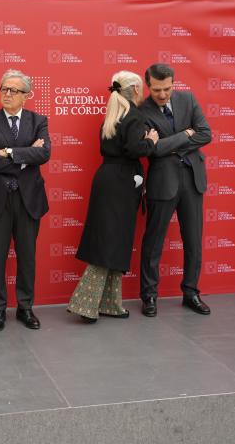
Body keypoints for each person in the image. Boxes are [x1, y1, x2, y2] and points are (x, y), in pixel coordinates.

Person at [68, 71, 158, 322]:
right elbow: (134, 149)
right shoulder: (135, 116)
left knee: (113, 242)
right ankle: (84, 304)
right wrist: (150, 141)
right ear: (137, 91)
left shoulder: (114, 114)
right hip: (121, 183)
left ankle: (110, 304)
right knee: (111, 243)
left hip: (108, 179)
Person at [0, 69, 50, 332]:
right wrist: (26, 156)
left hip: (29, 199)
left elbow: (45, 154)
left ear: (26, 95)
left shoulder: (39, 120)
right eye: (4, 89)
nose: (7, 94)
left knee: (27, 256)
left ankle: (25, 307)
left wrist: (7, 152)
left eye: (13, 90)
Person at [138, 63, 212, 317]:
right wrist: (186, 135)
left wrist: (171, 142)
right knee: (153, 242)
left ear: (174, 83)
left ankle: (191, 292)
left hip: (193, 178)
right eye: (157, 89)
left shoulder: (187, 99)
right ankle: (149, 296)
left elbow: (205, 133)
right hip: (163, 181)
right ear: (149, 85)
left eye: (167, 88)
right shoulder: (142, 110)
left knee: (193, 240)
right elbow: (153, 150)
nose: (162, 94)